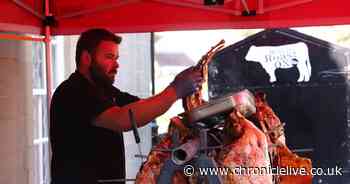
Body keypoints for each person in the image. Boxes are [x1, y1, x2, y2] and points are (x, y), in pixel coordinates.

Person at [49, 28, 203, 184]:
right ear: (86, 58)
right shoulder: (73, 91)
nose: (116, 65)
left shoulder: (104, 90)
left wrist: (178, 91)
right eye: (109, 57)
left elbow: (140, 107)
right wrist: (175, 90)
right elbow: (122, 119)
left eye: (116, 58)